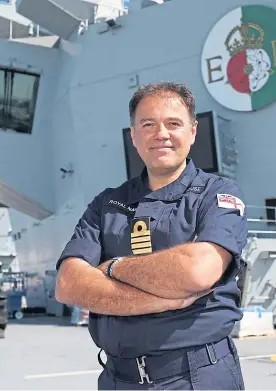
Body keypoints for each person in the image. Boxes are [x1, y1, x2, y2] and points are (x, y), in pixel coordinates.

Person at [55, 81, 248, 390]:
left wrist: (112, 268)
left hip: (196, 376)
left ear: (192, 131)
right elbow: (68, 285)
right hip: (118, 378)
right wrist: (165, 301)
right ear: (134, 136)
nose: (161, 134)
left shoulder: (217, 194)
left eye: (174, 124)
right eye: (148, 125)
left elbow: (198, 270)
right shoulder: (107, 204)